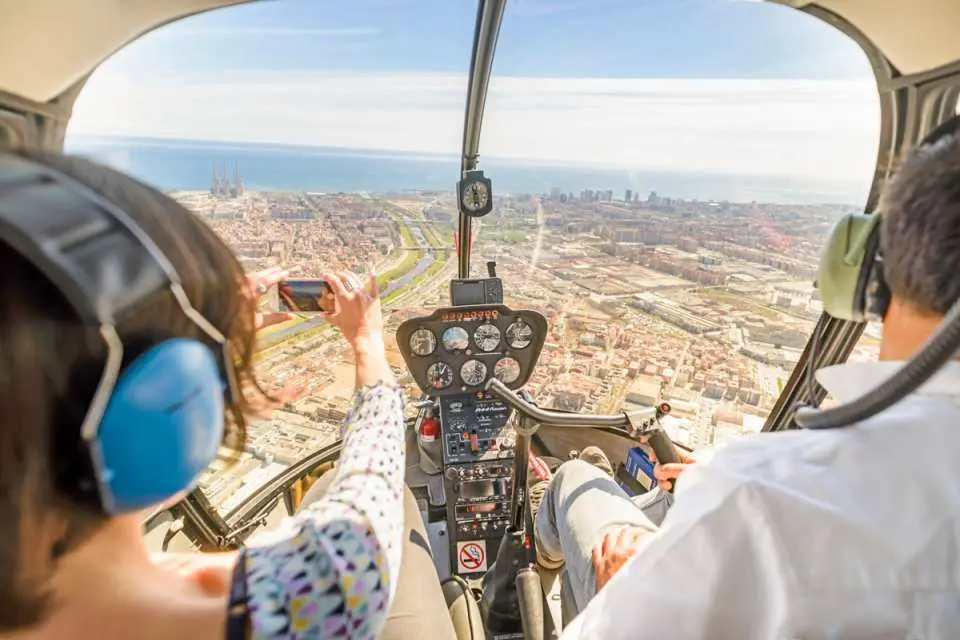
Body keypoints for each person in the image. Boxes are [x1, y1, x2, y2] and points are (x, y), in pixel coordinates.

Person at [0, 151, 455, 640]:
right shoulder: (301, 604)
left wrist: (211, 338)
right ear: (174, 407)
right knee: (395, 502)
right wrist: (368, 345)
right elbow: (370, 504)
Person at [531, 121, 960, 638]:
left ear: (869, 272)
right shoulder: (756, 488)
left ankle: (530, 578)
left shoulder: (760, 497)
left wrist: (626, 583)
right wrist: (722, 473)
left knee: (576, 481)